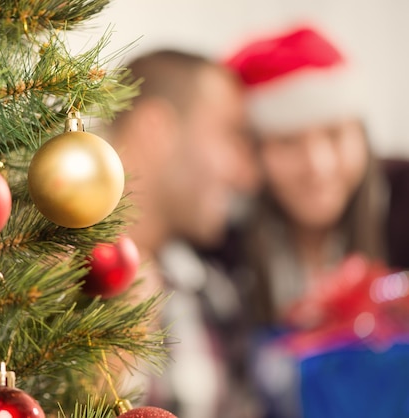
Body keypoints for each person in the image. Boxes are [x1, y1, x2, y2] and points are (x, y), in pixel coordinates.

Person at [223, 26, 409, 418]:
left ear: (363, 135)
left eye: (336, 134)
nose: (317, 167)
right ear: (255, 153)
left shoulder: (403, 201)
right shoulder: (223, 240)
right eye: (288, 141)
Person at [108, 50, 259, 418]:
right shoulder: (37, 275)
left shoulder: (213, 296)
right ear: (156, 129)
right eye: (229, 136)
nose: (245, 174)